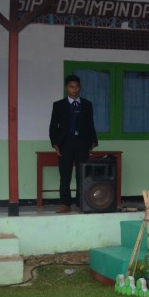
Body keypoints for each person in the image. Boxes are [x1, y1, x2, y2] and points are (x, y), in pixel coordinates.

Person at [48, 74, 98, 213]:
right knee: (65, 174)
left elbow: (90, 124)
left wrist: (93, 141)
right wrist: (55, 144)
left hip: (82, 143)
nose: (74, 90)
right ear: (66, 88)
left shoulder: (87, 105)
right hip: (65, 144)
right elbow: (53, 127)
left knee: (82, 174)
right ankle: (65, 203)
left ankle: (81, 202)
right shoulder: (59, 105)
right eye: (71, 87)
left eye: (76, 87)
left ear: (80, 88)